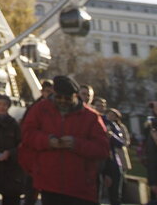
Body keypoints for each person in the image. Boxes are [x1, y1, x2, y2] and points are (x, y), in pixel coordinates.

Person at [20, 75, 109, 205]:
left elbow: (102, 149)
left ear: (75, 96)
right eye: (58, 97)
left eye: (67, 98)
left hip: (80, 186)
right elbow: (26, 134)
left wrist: (76, 144)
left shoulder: (91, 117)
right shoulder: (40, 109)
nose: (62, 101)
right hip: (50, 183)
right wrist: (47, 141)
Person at [20, 79, 54, 205]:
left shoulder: (55, 109)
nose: (49, 94)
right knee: (30, 192)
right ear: (42, 92)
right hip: (34, 155)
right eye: (47, 91)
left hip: (48, 155)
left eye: (51, 92)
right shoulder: (34, 108)